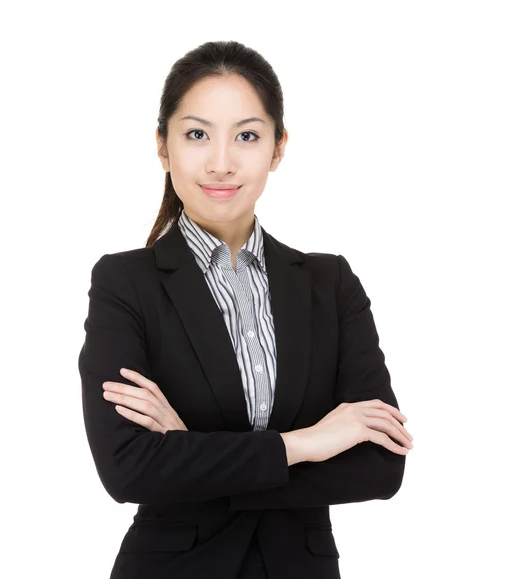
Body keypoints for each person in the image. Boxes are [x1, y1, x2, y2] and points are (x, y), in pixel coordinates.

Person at [79, 39, 414, 579]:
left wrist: (191, 453)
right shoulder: (125, 283)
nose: (221, 163)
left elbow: (381, 465)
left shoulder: (330, 284)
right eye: (196, 135)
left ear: (278, 148)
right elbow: (128, 469)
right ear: (163, 147)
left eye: (247, 136)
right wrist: (306, 444)